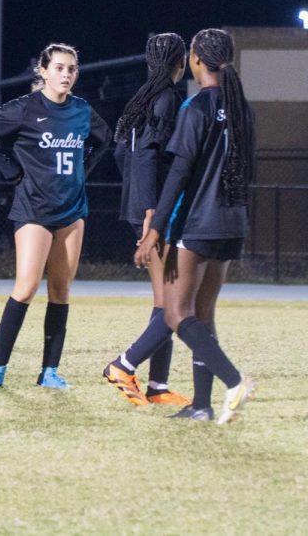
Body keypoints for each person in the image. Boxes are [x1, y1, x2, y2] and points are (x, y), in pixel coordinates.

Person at [0, 43, 111, 390]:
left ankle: (49, 372)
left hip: (72, 210)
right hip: (34, 210)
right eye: (59, 68)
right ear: (43, 71)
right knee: (27, 286)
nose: (66, 75)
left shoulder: (82, 110)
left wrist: (82, 170)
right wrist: (10, 170)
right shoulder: (26, 108)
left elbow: (103, 139)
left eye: (72, 69)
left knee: (61, 290)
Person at [135, 28, 257, 424]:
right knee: (203, 315)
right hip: (232, 223)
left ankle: (234, 380)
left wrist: (155, 229)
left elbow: (180, 172)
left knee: (176, 313)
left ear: (197, 60)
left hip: (200, 224)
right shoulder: (242, 109)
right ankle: (201, 406)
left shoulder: (196, 107)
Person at [103, 33, 192, 407]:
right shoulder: (168, 98)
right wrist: (151, 212)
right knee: (171, 304)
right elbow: (145, 157)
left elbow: (122, 153)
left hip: (143, 208)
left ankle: (157, 385)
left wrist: (137, 202)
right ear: (181, 62)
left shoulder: (141, 100)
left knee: (164, 302)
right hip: (156, 213)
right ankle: (123, 366)